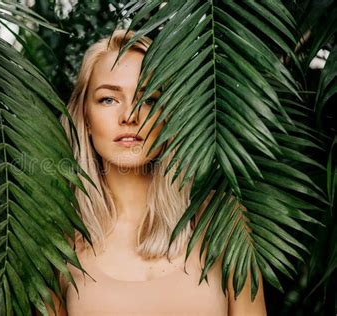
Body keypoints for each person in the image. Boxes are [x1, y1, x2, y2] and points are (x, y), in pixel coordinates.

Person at [50, 29, 267, 316]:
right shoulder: (61, 238)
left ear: (169, 116)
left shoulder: (220, 218)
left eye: (148, 99)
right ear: (85, 118)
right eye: (108, 99)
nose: (129, 115)